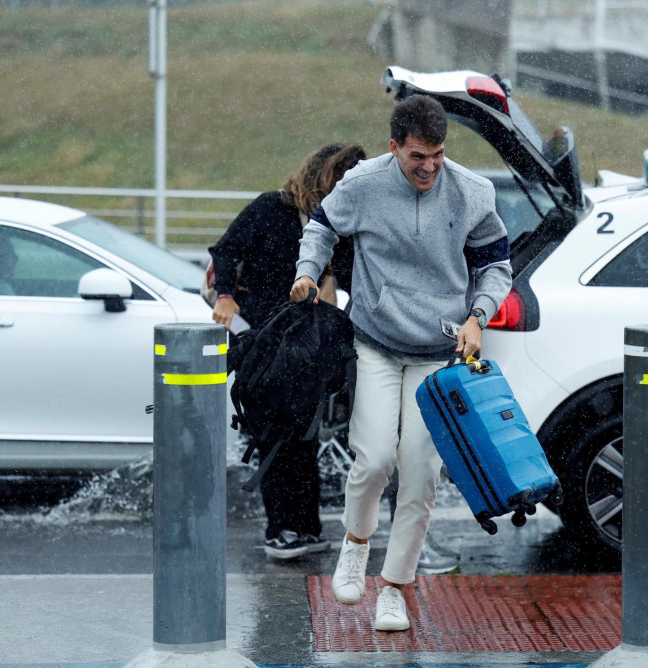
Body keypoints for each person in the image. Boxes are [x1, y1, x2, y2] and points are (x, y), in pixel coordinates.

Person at [289, 95, 511, 632]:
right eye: (418, 157)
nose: (429, 167)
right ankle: (356, 542)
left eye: (437, 155)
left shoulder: (473, 192)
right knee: (372, 459)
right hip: (377, 343)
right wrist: (307, 270)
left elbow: (497, 266)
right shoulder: (363, 184)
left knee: (420, 472)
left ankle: (394, 586)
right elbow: (321, 227)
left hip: (439, 353)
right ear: (394, 148)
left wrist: (478, 317)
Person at [208, 142, 366, 560]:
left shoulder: (339, 224)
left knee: (304, 436)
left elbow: (352, 275)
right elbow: (226, 251)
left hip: (304, 347)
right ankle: (280, 530)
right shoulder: (271, 209)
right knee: (275, 438)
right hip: (262, 341)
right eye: (341, 184)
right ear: (323, 180)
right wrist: (225, 295)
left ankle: (306, 529)